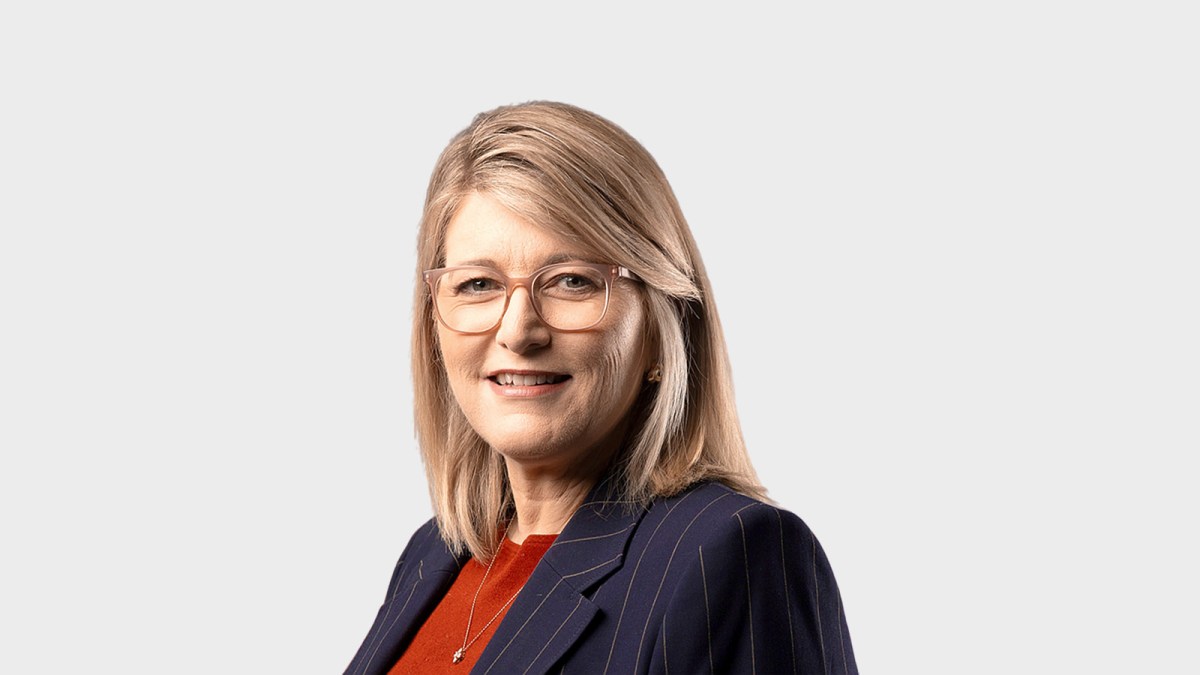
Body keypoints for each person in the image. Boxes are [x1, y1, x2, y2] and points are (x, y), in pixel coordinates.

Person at [344, 101, 858, 675]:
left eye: (572, 281)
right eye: (478, 284)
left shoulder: (729, 554)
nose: (518, 331)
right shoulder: (433, 556)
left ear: (661, 326)